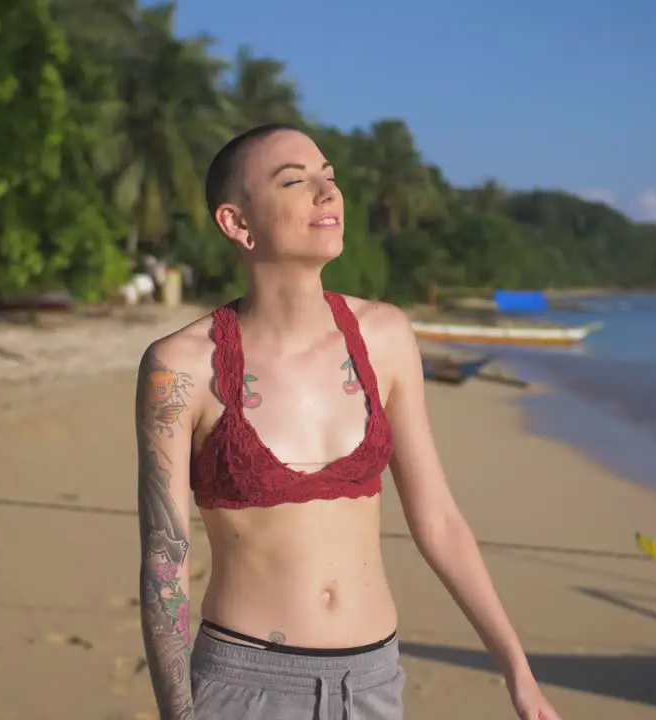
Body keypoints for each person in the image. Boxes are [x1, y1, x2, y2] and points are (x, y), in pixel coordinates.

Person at [135, 124, 562, 720]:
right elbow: (165, 562)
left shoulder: (385, 336)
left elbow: (438, 519)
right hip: (245, 685)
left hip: (373, 683)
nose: (326, 193)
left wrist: (518, 670)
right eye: (295, 181)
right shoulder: (178, 367)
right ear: (236, 222)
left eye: (329, 179)